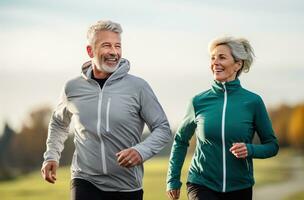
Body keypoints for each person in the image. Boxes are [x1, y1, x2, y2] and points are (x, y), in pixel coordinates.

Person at [41, 20, 172, 200]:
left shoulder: (138, 87)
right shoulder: (72, 87)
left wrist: (140, 151)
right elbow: (58, 123)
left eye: (118, 46)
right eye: (106, 45)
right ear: (90, 51)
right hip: (84, 180)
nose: (114, 52)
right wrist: (51, 156)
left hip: (127, 187)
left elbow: (163, 128)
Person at [166, 36, 279, 200]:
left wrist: (250, 149)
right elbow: (181, 140)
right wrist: (172, 179)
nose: (215, 63)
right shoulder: (198, 101)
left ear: (237, 64)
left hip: (240, 186)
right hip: (201, 183)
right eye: (212, 58)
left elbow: (272, 146)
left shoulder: (253, 102)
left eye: (222, 57)